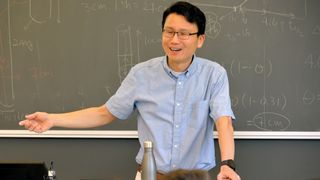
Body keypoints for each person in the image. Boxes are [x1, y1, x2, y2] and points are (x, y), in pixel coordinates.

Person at [19, 1, 240, 180]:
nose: (174, 40)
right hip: (150, 176)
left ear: (200, 39)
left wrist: (227, 164)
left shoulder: (214, 74)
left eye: (184, 34)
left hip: (195, 177)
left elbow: (224, 121)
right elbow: (104, 113)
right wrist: (52, 119)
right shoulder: (141, 74)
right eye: (169, 31)